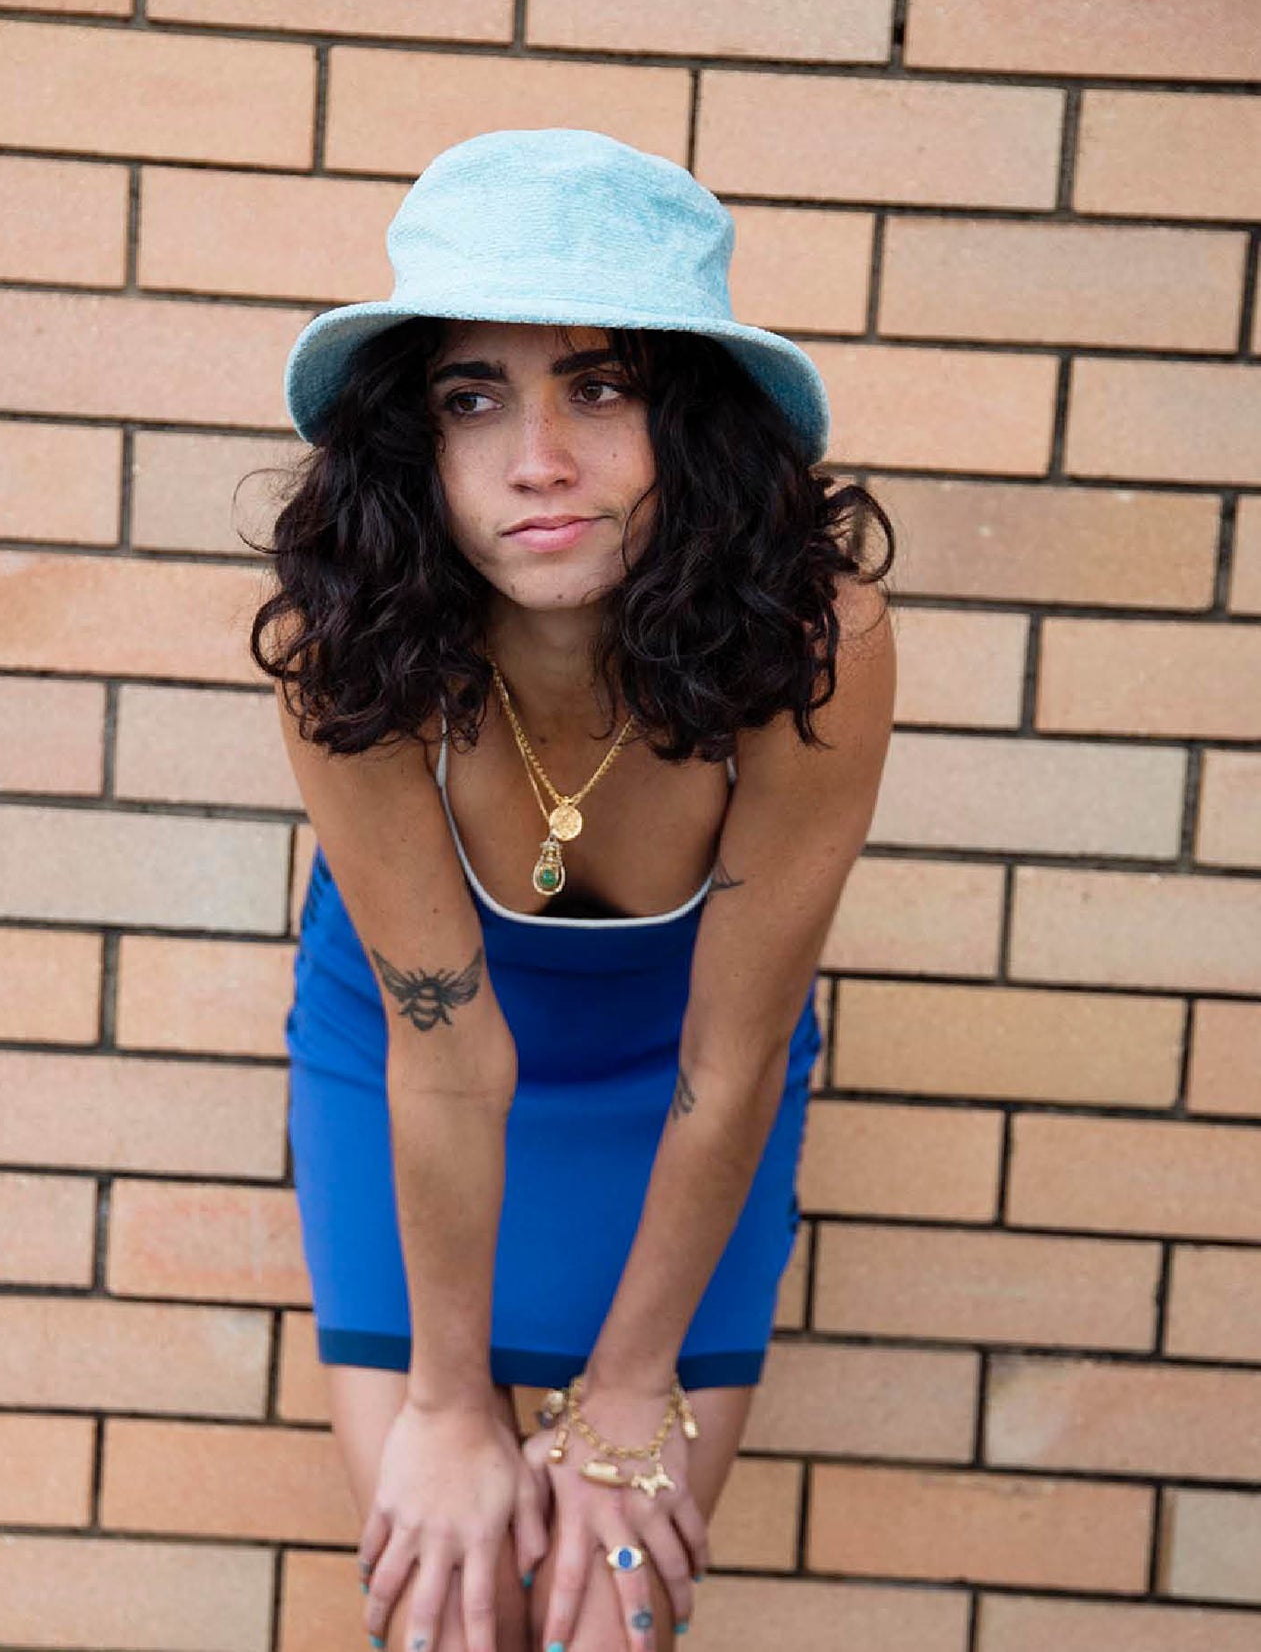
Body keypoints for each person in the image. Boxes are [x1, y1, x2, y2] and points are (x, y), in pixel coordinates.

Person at [249, 128, 896, 1652]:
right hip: (409, 1067)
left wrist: (624, 1384)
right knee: (449, 1613)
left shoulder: (813, 638)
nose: (535, 458)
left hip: (687, 1089)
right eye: (470, 398)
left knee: (609, 1626)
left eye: (598, 389)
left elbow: (730, 1057)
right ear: (411, 442)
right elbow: (446, 1056)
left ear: (695, 423)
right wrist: (446, 1401)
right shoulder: (352, 641)